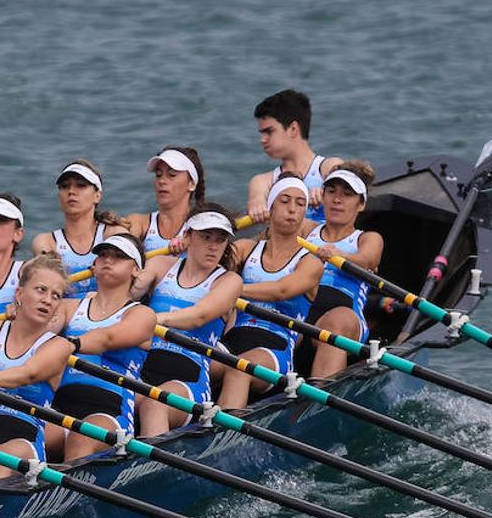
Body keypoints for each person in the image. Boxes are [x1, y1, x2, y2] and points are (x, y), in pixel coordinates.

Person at [0, 255, 74, 481]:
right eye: (41, 290)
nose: (48, 300)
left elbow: (28, 373)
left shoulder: (59, 345)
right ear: (19, 294)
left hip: (23, 439)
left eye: (56, 296)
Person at [133, 203, 243, 436]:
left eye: (220, 239)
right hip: (143, 367)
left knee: (155, 405)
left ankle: (151, 470)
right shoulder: (160, 266)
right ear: (187, 236)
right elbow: (128, 293)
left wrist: (154, 318)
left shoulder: (228, 281)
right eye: (205, 237)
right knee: (107, 395)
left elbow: (199, 316)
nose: (213, 246)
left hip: (188, 379)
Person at [219, 175, 324, 409]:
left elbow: (282, 290)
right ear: (271, 206)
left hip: (275, 349)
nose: (292, 209)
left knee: (240, 367)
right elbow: (213, 270)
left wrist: (234, 291)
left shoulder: (310, 262)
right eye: (285, 200)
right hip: (232, 338)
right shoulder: (246, 249)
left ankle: (222, 439)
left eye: (300, 204)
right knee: (195, 363)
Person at [51, 233, 157, 461]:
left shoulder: (142, 314)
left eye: (119, 256)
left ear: (136, 270)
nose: (108, 260)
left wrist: (70, 344)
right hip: (59, 404)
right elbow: (41, 334)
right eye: (103, 255)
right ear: (94, 265)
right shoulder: (69, 307)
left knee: (81, 437)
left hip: (110, 408)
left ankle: (70, 494)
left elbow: (107, 338)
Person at [304, 161, 384, 378]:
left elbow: (367, 259)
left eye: (347, 194)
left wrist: (339, 256)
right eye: (331, 191)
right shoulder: (306, 229)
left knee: (337, 321)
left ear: (361, 204)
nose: (337, 199)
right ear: (322, 196)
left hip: (344, 318)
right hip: (300, 312)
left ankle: (320, 399)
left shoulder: (367, 238)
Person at [31, 160, 129, 299]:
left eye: (81, 186)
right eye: (65, 186)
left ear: (97, 195)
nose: (71, 191)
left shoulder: (114, 233)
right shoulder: (45, 241)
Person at [245, 89, 344, 225]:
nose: (263, 139)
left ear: (293, 129)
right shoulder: (261, 182)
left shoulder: (329, 166)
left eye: (269, 131)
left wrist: (327, 192)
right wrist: (258, 206)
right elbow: (257, 201)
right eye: (262, 133)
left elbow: (343, 190)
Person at [126, 146, 206, 254]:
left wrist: (194, 239)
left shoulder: (203, 225)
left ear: (191, 184)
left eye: (172, 175)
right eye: (158, 175)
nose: (162, 181)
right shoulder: (138, 222)